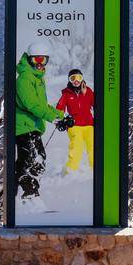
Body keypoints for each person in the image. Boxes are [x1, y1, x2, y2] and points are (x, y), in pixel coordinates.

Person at [14, 41, 65, 200]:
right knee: (32, 160)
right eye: (36, 60)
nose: (40, 64)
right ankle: (28, 192)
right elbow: (32, 104)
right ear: (29, 59)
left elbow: (42, 105)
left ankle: (29, 192)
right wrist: (54, 119)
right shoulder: (25, 79)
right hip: (23, 126)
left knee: (38, 160)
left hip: (32, 126)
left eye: (43, 60)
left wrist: (62, 116)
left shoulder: (36, 78)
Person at [55, 68, 96, 174]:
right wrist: (61, 120)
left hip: (89, 125)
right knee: (77, 148)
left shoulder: (88, 91)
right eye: (73, 78)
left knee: (93, 148)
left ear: (82, 79)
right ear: (69, 80)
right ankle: (70, 172)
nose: (76, 81)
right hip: (74, 125)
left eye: (79, 78)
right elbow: (59, 108)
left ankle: (95, 172)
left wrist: (86, 93)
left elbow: (96, 104)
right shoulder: (67, 94)